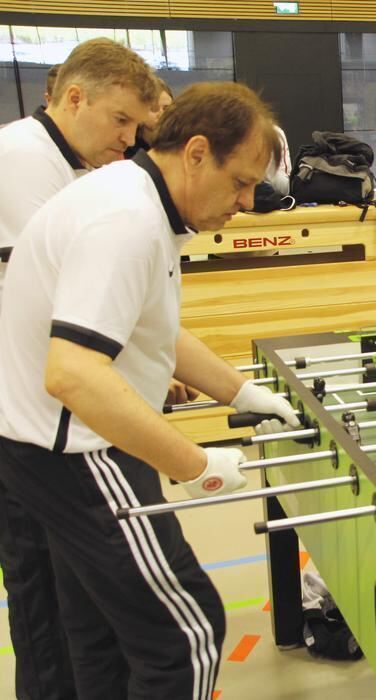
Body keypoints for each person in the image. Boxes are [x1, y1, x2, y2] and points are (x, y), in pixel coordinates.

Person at [0, 81, 299, 700]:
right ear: (196, 153)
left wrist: (242, 393)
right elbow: (73, 373)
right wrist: (195, 465)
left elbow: (151, 329)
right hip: (78, 452)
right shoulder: (127, 221)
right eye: (240, 183)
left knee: (98, 633)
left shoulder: (133, 197)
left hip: (40, 445)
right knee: (186, 635)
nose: (247, 203)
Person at [0, 38, 160, 700]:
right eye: (120, 120)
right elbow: (52, 297)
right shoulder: (22, 158)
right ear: (74, 98)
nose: (128, 138)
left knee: (74, 593)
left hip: (42, 403)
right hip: (21, 413)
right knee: (38, 588)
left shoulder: (71, 163)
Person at [124, 76, 174, 159]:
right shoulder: (126, 146)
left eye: (166, 108)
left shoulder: (179, 146)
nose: (161, 114)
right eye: (153, 108)